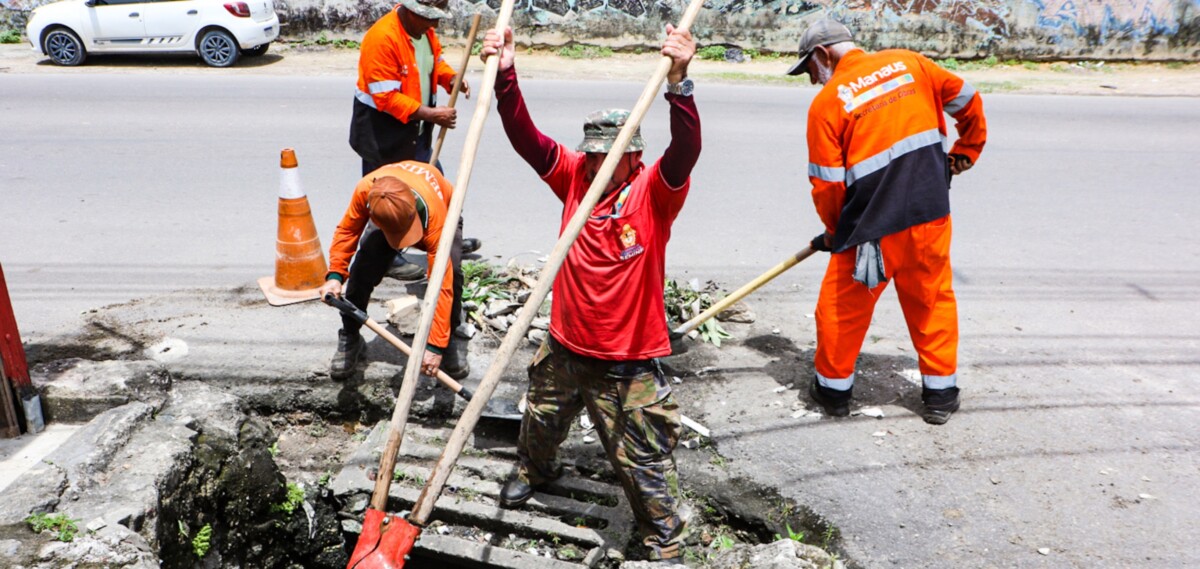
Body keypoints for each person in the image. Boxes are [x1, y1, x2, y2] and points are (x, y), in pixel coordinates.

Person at [481, 25, 699, 565]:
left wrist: (680, 82)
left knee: (640, 459)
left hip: (624, 360)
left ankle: (663, 535)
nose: (599, 164)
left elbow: (686, 150)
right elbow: (526, 138)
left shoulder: (653, 192)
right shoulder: (575, 176)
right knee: (541, 422)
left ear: (633, 158)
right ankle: (537, 472)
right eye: (594, 154)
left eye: (611, 156)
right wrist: (506, 74)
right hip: (564, 344)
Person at [788, 18, 987, 424]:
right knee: (932, 301)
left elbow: (827, 186)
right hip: (930, 215)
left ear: (823, 55)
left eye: (810, 70)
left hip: (872, 232)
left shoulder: (827, 104)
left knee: (842, 309)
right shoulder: (911, 63)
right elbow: (968, 102)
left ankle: (832, 392)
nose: (812, 81)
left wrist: (834, 232)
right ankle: (940, 396)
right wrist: (965, 150)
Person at [349, 0, 480, 281]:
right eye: (429, 19)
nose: (434, 25)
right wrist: (433, 115)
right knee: (387, 196)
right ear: (410, 11)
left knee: (436, 184)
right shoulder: (382, 38)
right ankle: (386, 256)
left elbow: (435, 63)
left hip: (414, 130)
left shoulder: (424, 33)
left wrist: (451, 79)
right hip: (382, 131)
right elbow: (386, 98)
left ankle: (447, 241)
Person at [318, 161, 469, 382]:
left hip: (441, 210)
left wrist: (435, 345)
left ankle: (449, 339)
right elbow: (348, 230)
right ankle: (350, 334)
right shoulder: (367, 191)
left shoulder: (435, 217)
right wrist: (335, 275)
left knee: (452, 277)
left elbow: (442, 286)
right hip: (391, 213)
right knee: (362, 270)